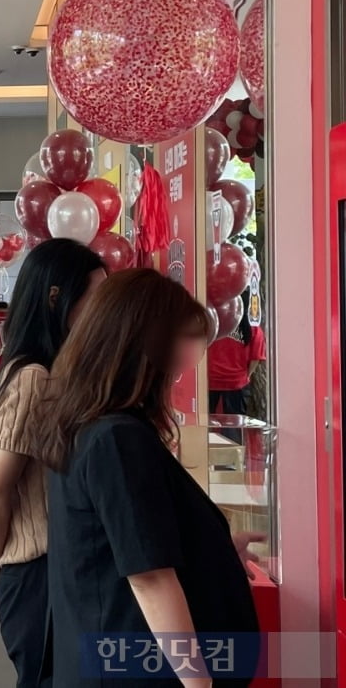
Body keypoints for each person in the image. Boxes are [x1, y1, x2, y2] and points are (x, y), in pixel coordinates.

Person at [38, 269, 261, 687]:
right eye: (183, 342)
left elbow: (127, 534)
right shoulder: (117, 438)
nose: (188, 361)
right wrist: (198, 681)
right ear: (146, 345)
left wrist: (213, 547)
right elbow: (149, 576)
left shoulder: (93, 425)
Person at [0, 239, 106, 687]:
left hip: (35, 570)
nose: (102, 314)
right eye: (95, 298)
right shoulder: (32, 378)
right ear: (55, 298)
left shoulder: (33, 372)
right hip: (36, 578)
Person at [207, 290, 266, 442]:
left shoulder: (215, 323)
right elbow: (256, 358)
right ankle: (231, 462)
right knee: (233, 430)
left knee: (205, 426)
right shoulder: (253, 329)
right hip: (236, 383)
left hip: (210, 381)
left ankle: (206, 459)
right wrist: (246, 375)